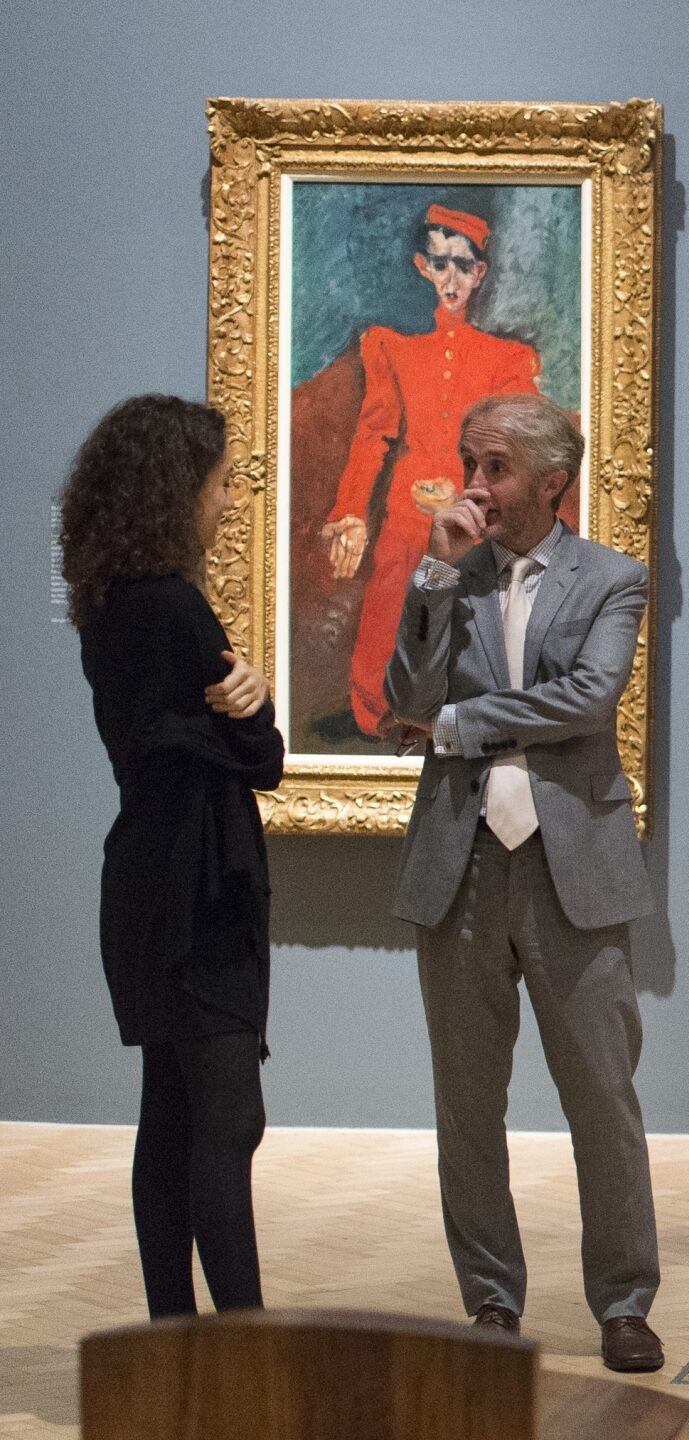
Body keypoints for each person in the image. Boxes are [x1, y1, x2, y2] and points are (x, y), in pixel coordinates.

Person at [380, 391, 664, 1372]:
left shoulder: (613, 578)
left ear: (553, 482)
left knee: (602, 1102)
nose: (474, 485)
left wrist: (458, 727)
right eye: (470, 462)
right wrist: (431, 573)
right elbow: (401, 697)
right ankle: (492, 1303)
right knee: (468, 1108)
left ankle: (623, 1304)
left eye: (495, 467)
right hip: (456, 868)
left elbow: (588, 698)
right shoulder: (448, 577)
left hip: (572, 868)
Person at [61, 394, 283, 1318]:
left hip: (149, 882)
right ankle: (242, 1351)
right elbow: (260, 757)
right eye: (220, 483)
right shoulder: (175, 608)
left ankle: (173, 1340)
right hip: (198, 887)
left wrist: (244, 712)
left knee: (173, 1115)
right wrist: (257, 706)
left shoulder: (110, 603)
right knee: (227, 1119)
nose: (228, 501)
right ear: (174, 489)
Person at [319, 203, 542, 738]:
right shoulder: (391, 347)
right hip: (404, 514)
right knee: (389, 609)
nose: (451, 278)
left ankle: (457, 719)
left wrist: (466, 495)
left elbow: (522, 453)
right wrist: (351, 512)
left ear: (479, 273)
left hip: (475, 519)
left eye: (463, 266)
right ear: (423, 267)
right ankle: (380, 714)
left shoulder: (507, 359)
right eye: (441, 264)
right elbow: (373, 437)